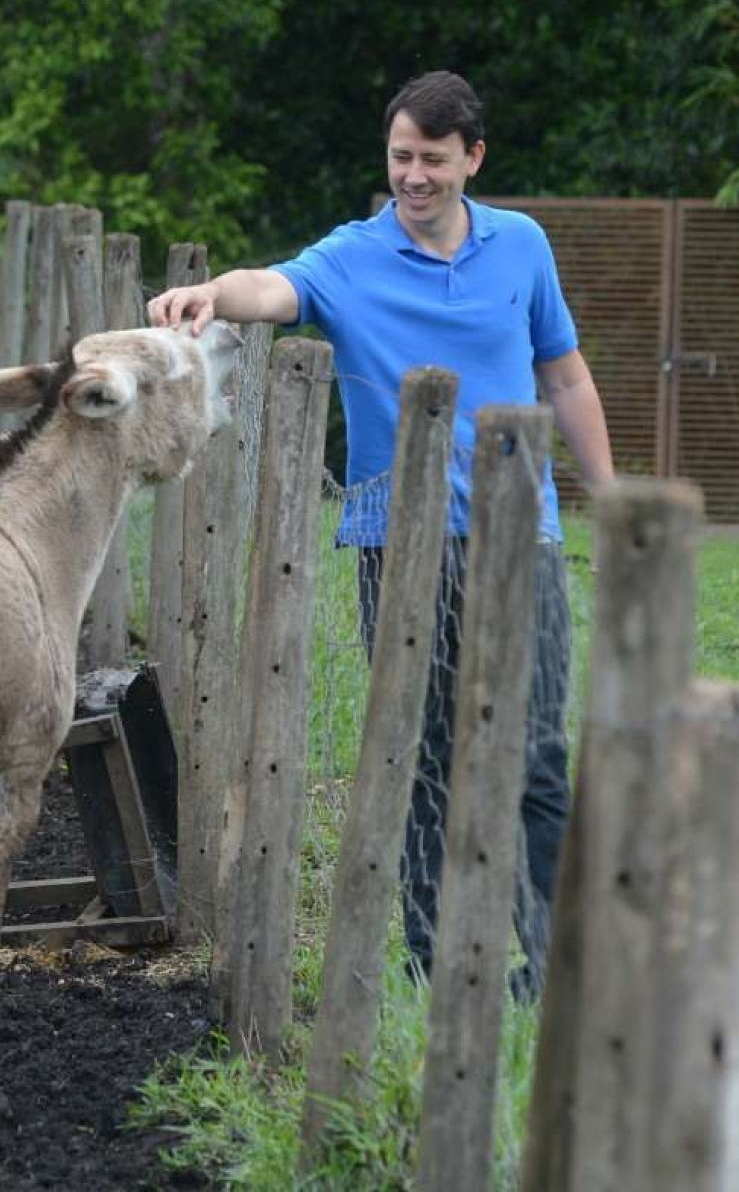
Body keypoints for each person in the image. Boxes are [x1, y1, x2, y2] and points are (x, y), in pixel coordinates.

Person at [147, 70, 614, 998]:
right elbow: (272, 286)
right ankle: (431, 960)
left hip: (527, 534)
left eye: (434, 160)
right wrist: (207, 295)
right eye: (402, 156)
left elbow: (564, 375)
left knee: (536, 751)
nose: (414, 176)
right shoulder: (351, 257)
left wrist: (613, 494)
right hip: (398, 544)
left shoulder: (522, 246)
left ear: (472, 159)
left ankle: (556, 964)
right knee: (426, 748)